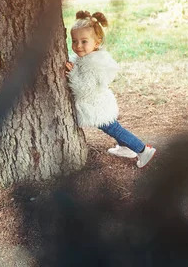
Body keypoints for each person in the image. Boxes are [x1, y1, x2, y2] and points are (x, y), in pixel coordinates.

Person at [65, 10, 156, 168]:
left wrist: (71, 74)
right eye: (74, 41)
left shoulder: (93, 64)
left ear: (97, 42)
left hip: (96, 105)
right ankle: (126, 148)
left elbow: (84, 90)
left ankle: (143, 150)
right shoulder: (88, 56)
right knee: (114, 128)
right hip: (99, 102)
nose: (78, 46)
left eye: (84, 41)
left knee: (114, 129)